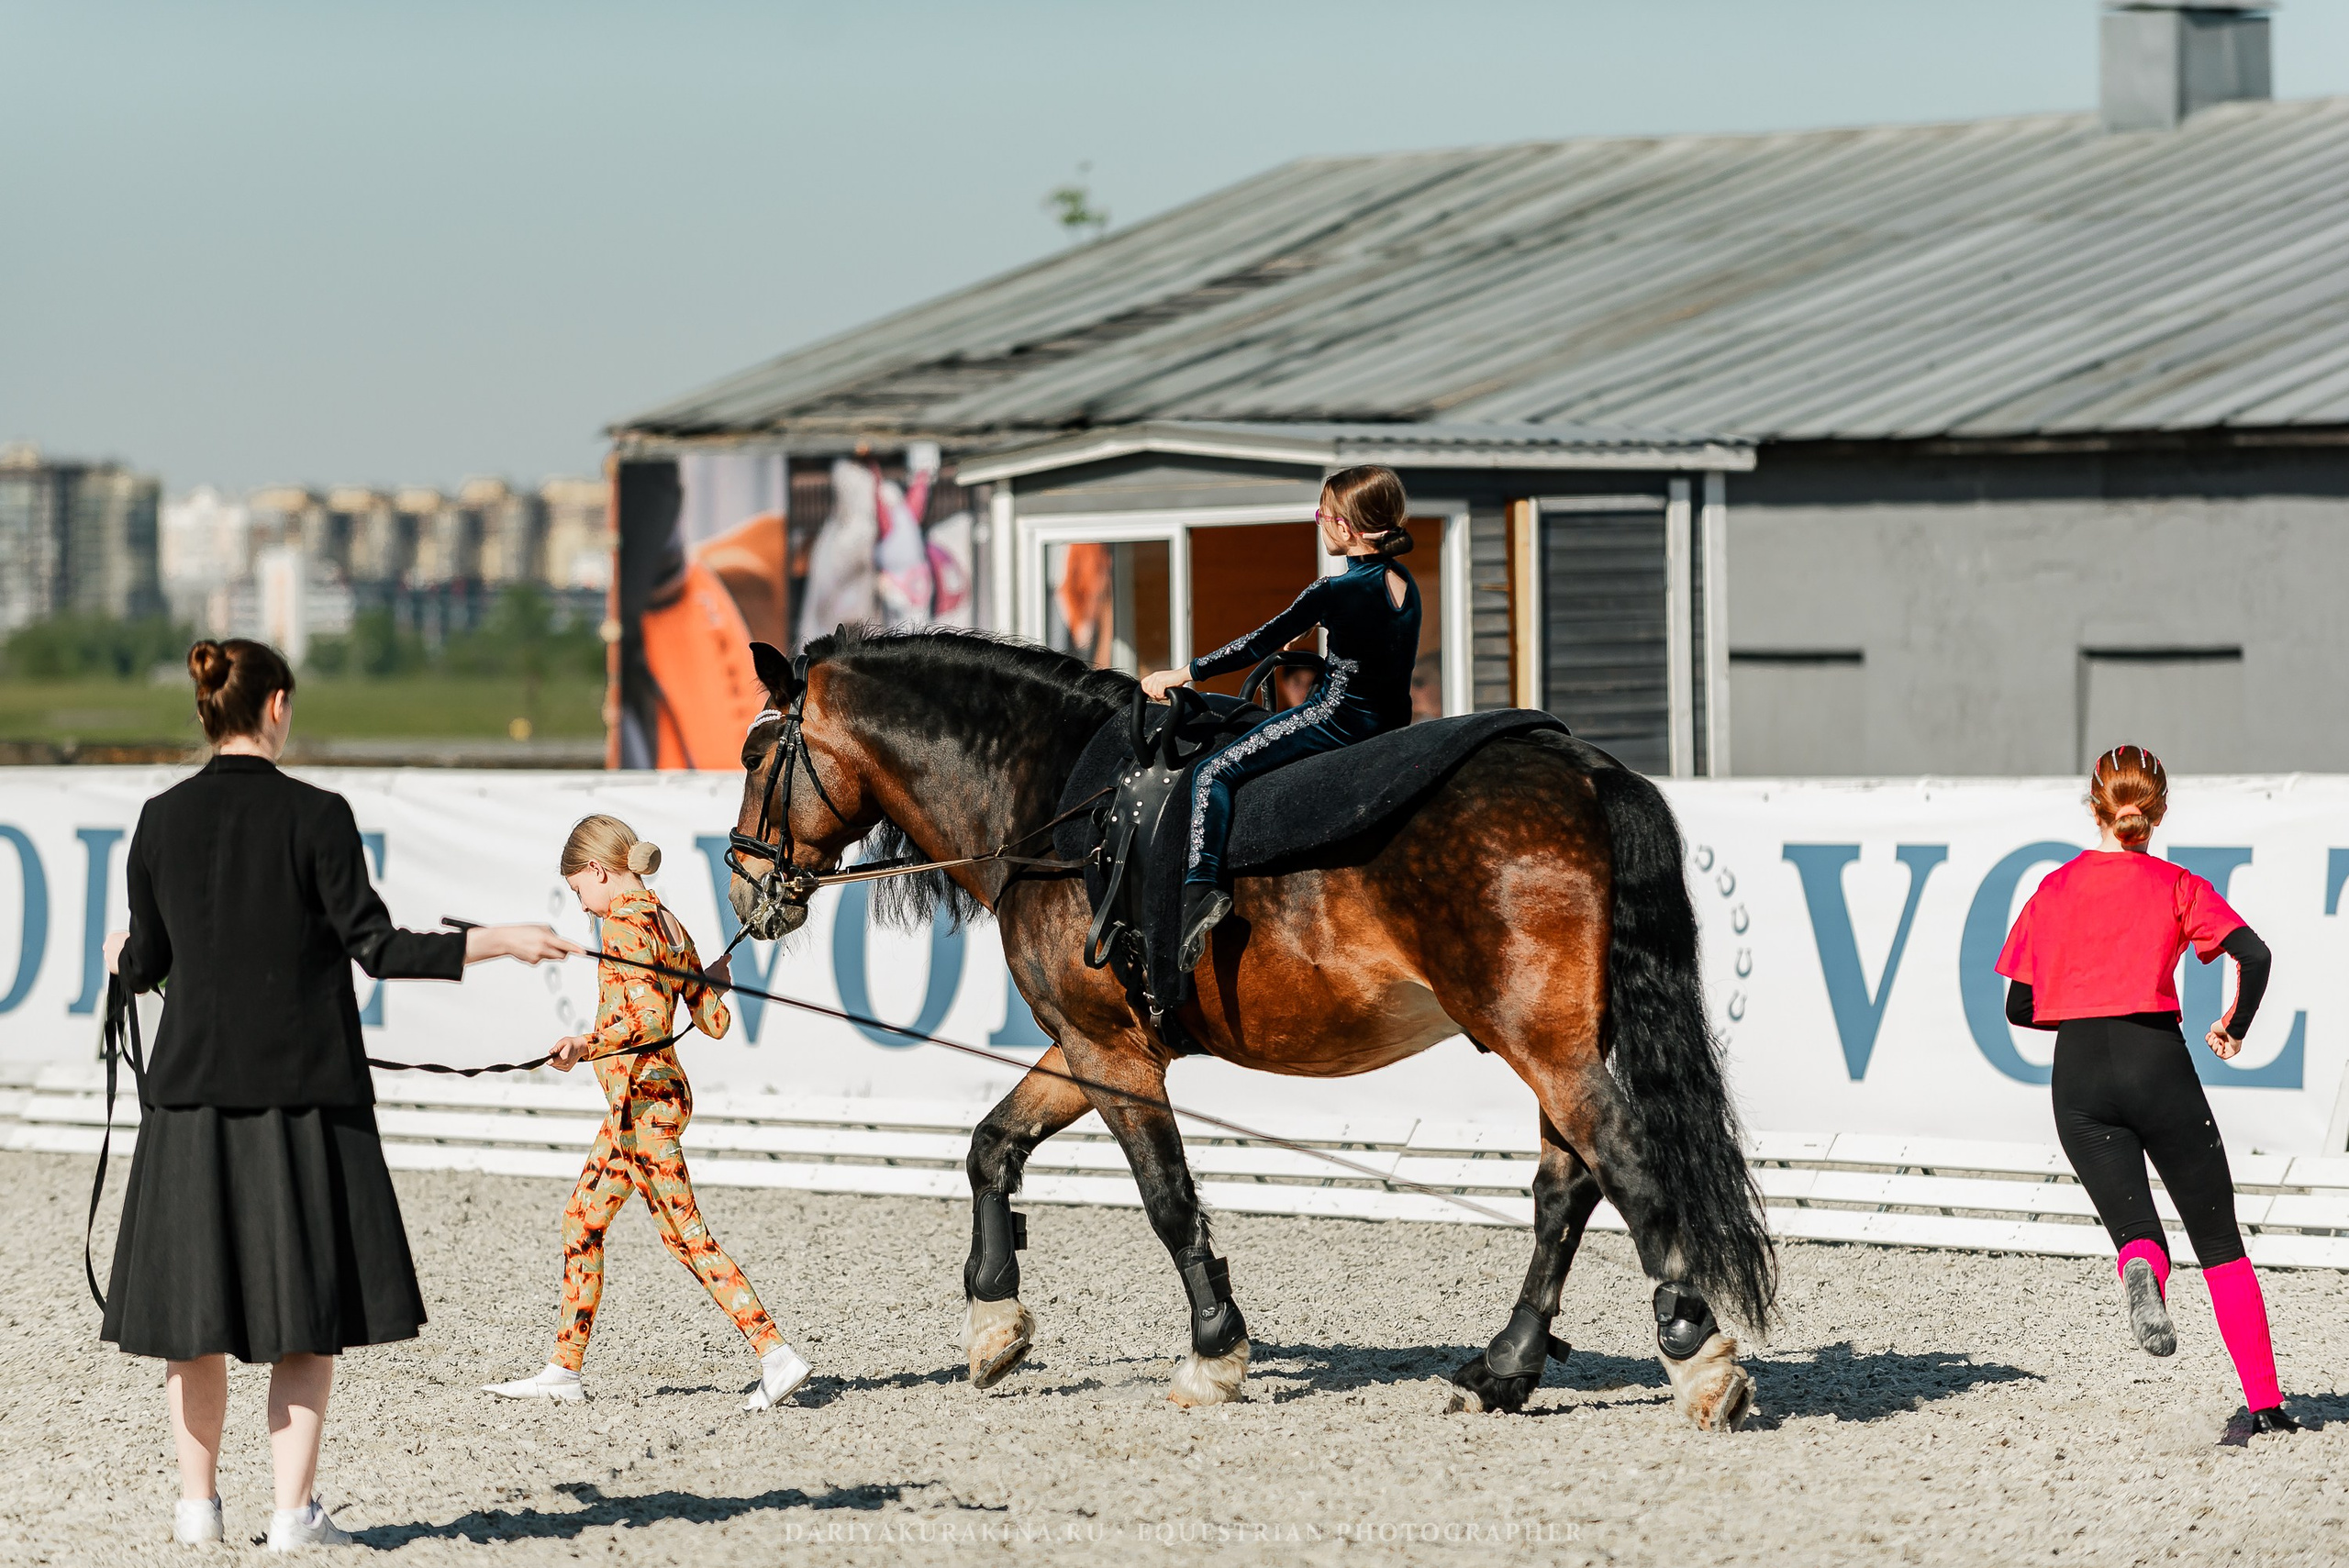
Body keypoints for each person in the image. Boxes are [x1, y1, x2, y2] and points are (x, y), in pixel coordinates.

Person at [101, 639, 581, 1550]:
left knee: (192, 1323)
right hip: (303, 1102)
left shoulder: (160, 817)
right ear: (276, 705)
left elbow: (151, 963)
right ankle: (292, 1516)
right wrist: (498, 940)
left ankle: (196, 1510)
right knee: (302, 1320)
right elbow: (379, 947)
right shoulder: (320, 814)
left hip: (191, 1100)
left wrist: (119, 959)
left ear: (212, 706)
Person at [1996, 744, 2297, 1433]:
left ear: (2095, 806)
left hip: (2078, 1078)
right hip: (2156, 1060)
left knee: (2135, 1228)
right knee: (2220, 1240)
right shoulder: (2176, 884)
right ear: (2155, 813)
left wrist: (2083, 1004)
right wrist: (2234, 1023)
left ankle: (2141, 1269)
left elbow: (2018, 1005)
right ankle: (2266, 1405)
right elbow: (2256, 953)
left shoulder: (2053, 889)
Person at [483, 815, 812, 1412]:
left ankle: (776, 1353)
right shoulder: (667, 921)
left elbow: (645, 1022)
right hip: (637, 1107)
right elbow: (713, 1022)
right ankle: (563, 1367)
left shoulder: (620, 926)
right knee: (581, 1221)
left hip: (643, 1109)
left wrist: (586, 1043)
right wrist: (710, 983)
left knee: (687, 1237)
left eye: (579, 889)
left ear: (597, 870)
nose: (583, 904)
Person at [1139, 464, 1421, 968]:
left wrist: (1182, 673)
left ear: (1346, 528)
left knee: (1211, 773)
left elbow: (1255, 644)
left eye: (1322, 515)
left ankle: (1200, 890)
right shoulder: (1402, 582)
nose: (1320, 522)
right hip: (1389, 723)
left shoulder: (1331, 592)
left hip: (1332, 722)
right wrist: (1319, 628)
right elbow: (1373, 640)